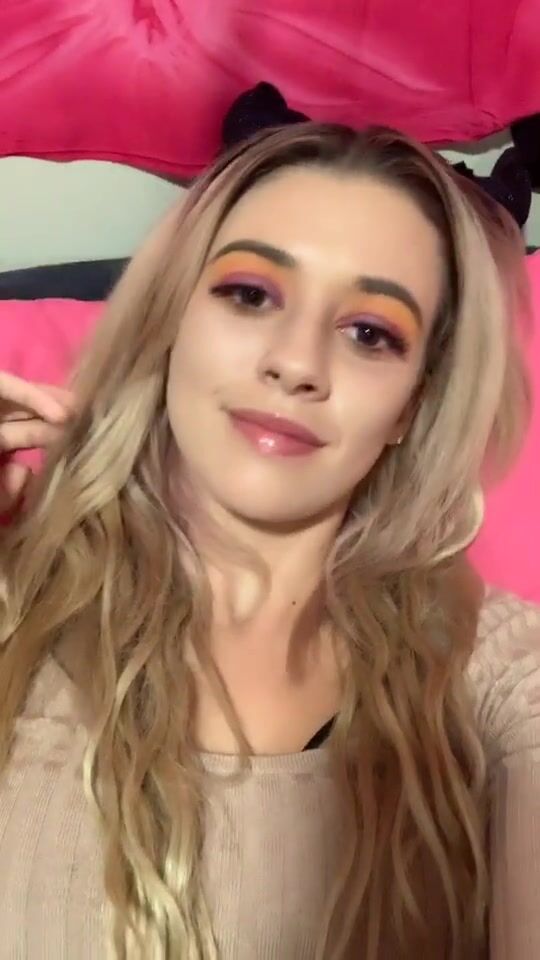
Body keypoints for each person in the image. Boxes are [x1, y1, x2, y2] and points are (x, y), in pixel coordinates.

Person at [0, 123, 538, 960]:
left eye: (370, 333)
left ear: (411, 406)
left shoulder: (495, 675)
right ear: (172, 319)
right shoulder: (16, 597)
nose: (296, 363)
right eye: (251, 295)